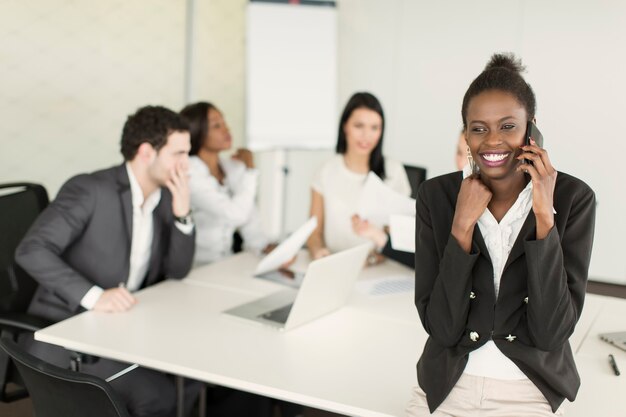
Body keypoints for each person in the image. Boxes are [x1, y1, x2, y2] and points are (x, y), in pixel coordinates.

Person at [406, 53, 596, 416]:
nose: (492, 141)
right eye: (479, 128)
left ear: (531, 128)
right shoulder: (436, 197)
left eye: (508, 126)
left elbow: (550, 333)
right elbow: (443, 330)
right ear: (465, 133)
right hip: (445, 387)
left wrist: (544, 215)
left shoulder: (574, 199)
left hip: (528, 391)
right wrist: (461, 227)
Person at [15, 105, 197, 417]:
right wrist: (96, 297)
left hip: (119, 327)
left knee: (191, 377)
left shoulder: (164, 197)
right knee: (160, 395)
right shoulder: (91, 189)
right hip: (63, 331)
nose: (186, 166)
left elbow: (177, 271)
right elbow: (31, 250)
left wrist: (183, 214)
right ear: (146, 152)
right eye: (178, 154)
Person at [306, 92, 411, 263]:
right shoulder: (326, 171)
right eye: (359, 126)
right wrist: (318, 251)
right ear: (345, 126)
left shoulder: (394, 171)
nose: (366, 136)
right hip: (335, 263)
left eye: (374, 128)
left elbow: (401, 235)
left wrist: (375, 256)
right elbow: (314, 233)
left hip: (379, 267)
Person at [180, 102, 270, 267]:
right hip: (196, 268)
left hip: (225, 262)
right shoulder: (189, 171)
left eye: (224, 122)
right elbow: (235, 214)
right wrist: (250, 171)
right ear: (197, 132)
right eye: (216, 125)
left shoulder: (231, 167)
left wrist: (263, 246)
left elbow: (249, 216)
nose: (226, 129)